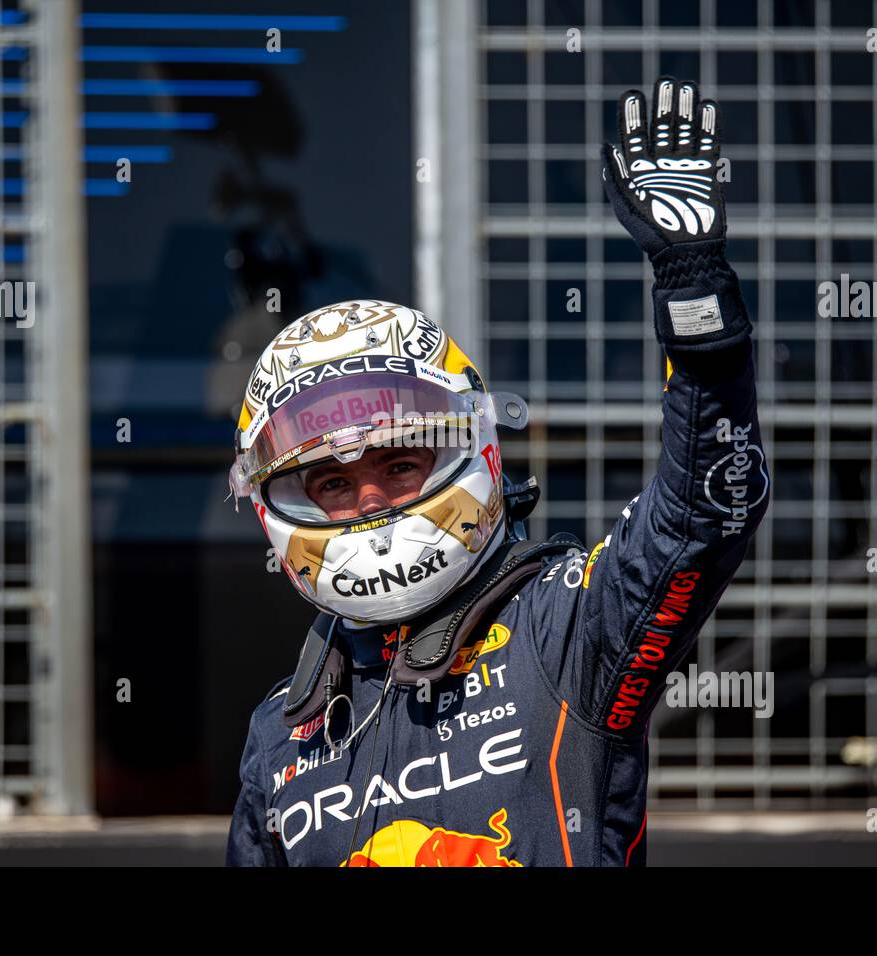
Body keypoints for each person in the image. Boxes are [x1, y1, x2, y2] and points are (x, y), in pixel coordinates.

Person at [225, 78, 768, 866]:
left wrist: (694, 294)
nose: (369, 498)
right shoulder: (280, 733)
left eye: (400, 464)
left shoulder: (568, 627)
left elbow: (704, 514)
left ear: (468, 454)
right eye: (333, 484)